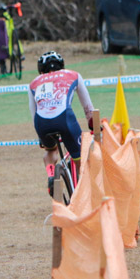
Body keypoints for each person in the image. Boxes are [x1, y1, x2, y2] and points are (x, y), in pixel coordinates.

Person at [29, 50, 96, 194]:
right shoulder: (73, 75)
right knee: (80, 158)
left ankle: (51, 174)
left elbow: (33, 113)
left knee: (50, 151)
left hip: (42, 123)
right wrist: (93, 126)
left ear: (41, 70)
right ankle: (83, 193)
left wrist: (41, 137)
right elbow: (88, 108)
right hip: (64, 118)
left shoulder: (33, 83)